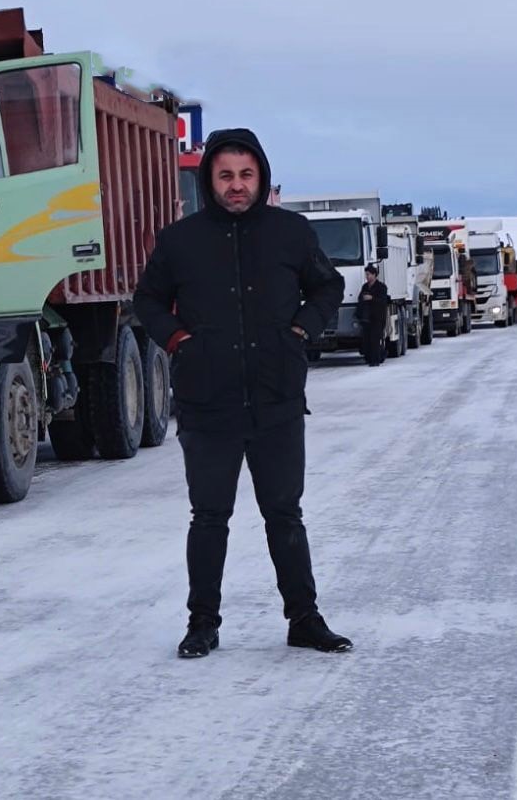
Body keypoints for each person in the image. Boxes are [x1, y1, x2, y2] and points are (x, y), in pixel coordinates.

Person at [134, 128, 353, 659]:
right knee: (209, 518)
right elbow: (148, 301)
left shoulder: (291, 233)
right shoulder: (179, 240)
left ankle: (304, 619)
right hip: (207, 403)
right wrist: (180, 341)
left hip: (276, 399)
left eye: (246, 175)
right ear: (210, 180)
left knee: (285, 514)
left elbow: (328, 287)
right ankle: (202, 624)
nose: (237, 186)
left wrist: (301, 331)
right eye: (226, 175)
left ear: (262, 178)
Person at [356, 264, 389, 366]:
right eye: (366, 275)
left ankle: (375, 360)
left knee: (375, 339)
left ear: (374, 275)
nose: (367, 277)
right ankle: (371, 357)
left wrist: (372, 298)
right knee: (367, 339)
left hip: (378, 317)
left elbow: (383, 300)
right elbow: (360, 298)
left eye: (369, 274)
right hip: (366, 317)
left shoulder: (381, 287)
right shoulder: (365, 287)